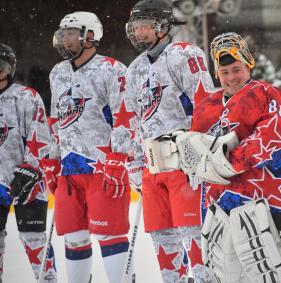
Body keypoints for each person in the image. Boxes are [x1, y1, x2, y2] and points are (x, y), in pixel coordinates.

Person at [172, 32, 281, 282]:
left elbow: (272, 137)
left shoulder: (267, 94)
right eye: (224, 72)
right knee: (228, 274)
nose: (231, 77)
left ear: (248, 65)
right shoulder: (207, 106)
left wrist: (226, 161)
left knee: (279, 267)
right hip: (221, 204)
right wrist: (178, 148)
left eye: (236, 69)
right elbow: (197, 150)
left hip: (270, 199)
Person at [119, 0, 215, 282]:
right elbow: (134, 121)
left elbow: (205, 106)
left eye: (144, 26)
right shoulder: (134, 69)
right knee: (162, 236)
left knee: (193, 232)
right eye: (134, 28)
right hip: (152, 167)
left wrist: (201, 153)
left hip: (184, 164)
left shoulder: (184, 54)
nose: (138, 33)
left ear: (162, 26)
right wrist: (134, 162)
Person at [46, 12, 130, 283]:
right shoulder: (57, 72)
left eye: (72, 33)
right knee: (74, 237)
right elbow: (56, 119)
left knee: (109, 234)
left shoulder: (112, 69)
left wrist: (119, 157)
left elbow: (124, 116)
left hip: (102, 166)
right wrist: (51, 159)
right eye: (63, 33)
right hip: (69, 170)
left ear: (90, 35)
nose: (65, 39)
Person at [0, 43, 56, 282]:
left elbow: (40, 137)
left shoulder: (25, 97)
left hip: (28, 181)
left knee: (34, 240)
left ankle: (48, 279)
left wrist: (31, 169)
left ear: (10, 69)